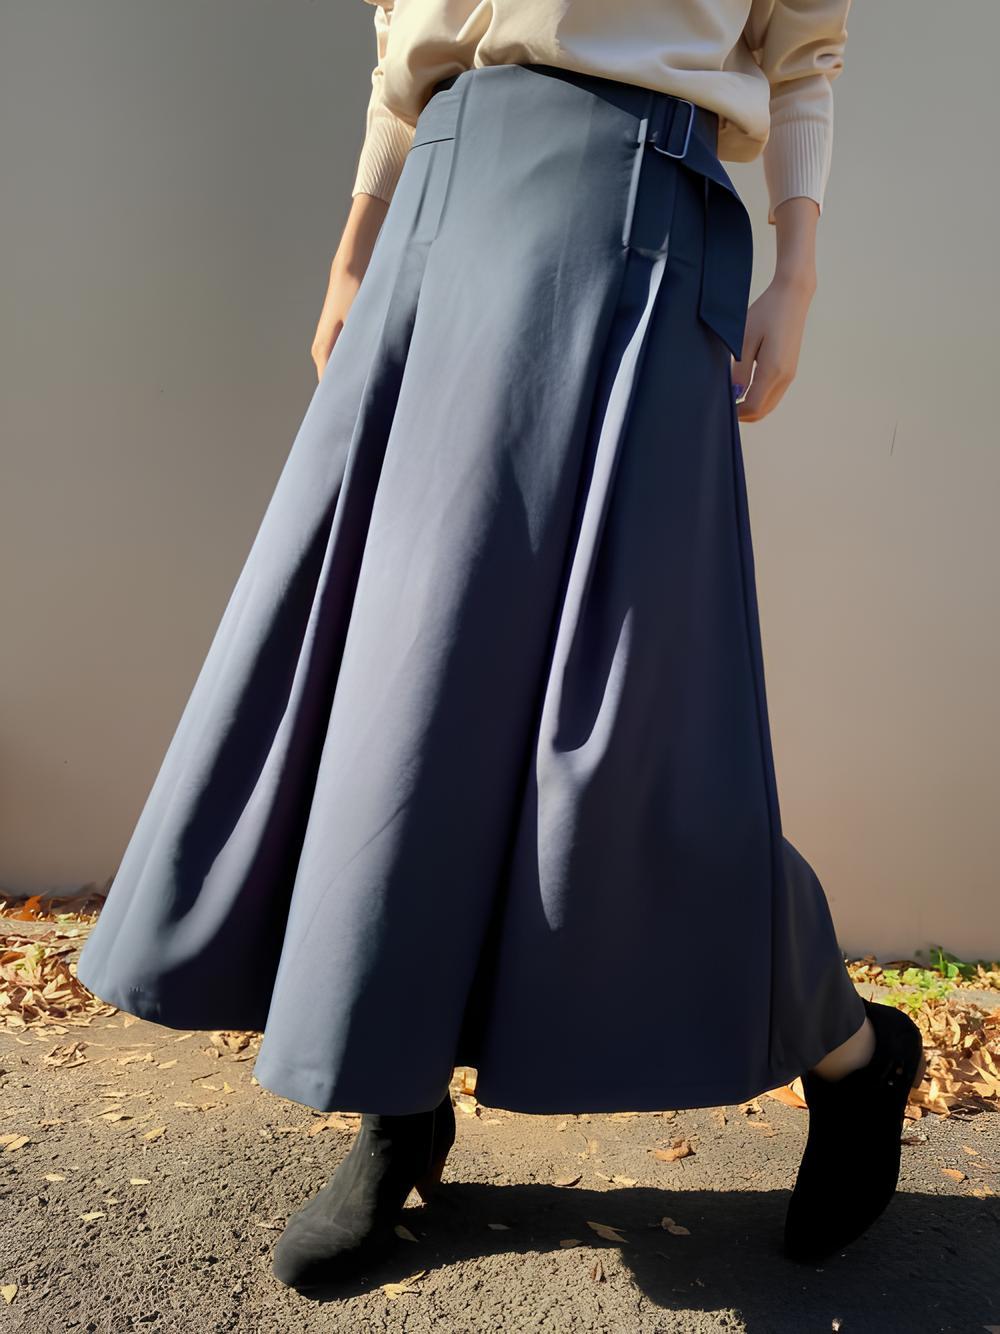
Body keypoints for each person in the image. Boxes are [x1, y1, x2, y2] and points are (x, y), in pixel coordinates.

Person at [76, 0, 926, 1294]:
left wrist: (796, 272)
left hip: (636, 221)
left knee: (632, 732)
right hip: (442, 208)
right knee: (399, 693)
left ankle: (852, 1053)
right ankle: (394, 1098)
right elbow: (403, 44)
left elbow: (803, 50)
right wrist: (356, 250)